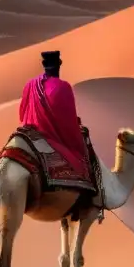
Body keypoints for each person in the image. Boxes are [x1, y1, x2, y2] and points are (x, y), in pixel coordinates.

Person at [18, 50, 91, 182]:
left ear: (44, 66)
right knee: (81, 157)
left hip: (30, 133)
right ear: (58, 66)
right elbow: (67, 122)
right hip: (50, 136)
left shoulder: (30, 85)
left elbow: (22, 113)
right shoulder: (63, 87)